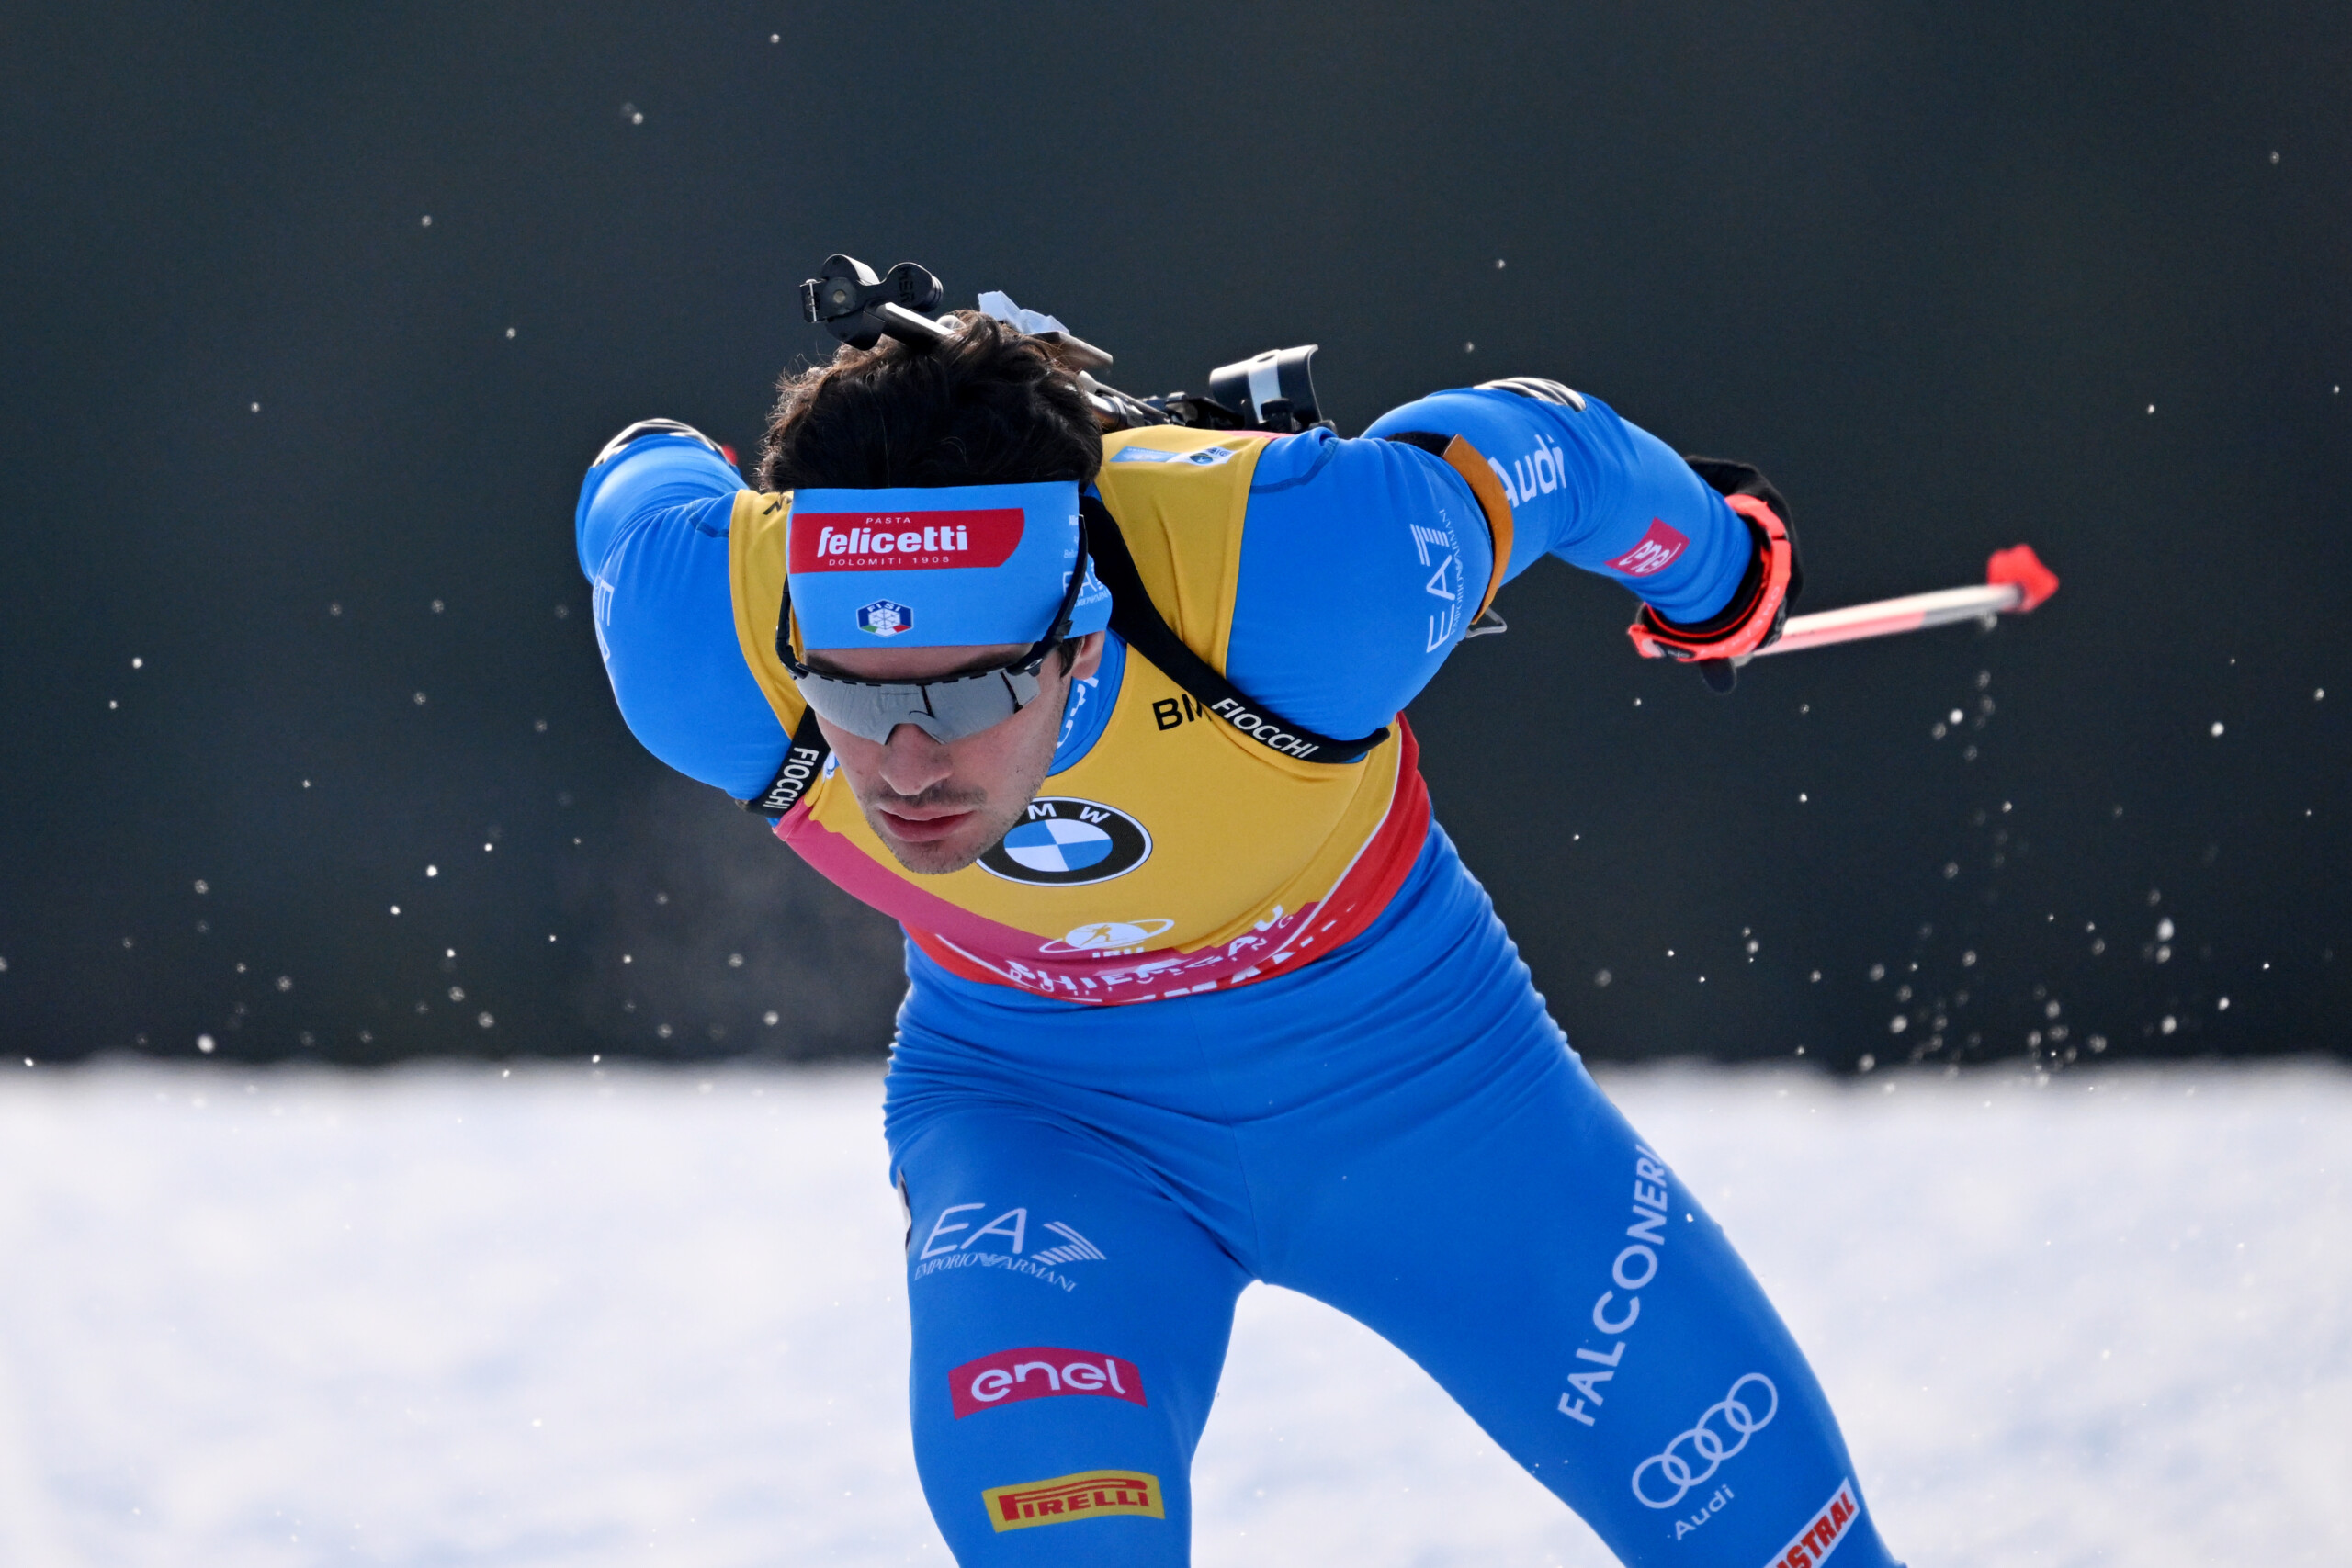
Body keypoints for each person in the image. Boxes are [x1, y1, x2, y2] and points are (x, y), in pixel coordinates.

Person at [575, 303, 1900, 1568]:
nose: (904, 759)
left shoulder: (1298, 574)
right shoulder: (708, 637)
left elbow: (1541, 448)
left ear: (1080, 639)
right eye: (850, 695)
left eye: (971, 686)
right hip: (1047, 1131)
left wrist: (1716, 566)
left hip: (1429, 1097)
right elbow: (632, 480)